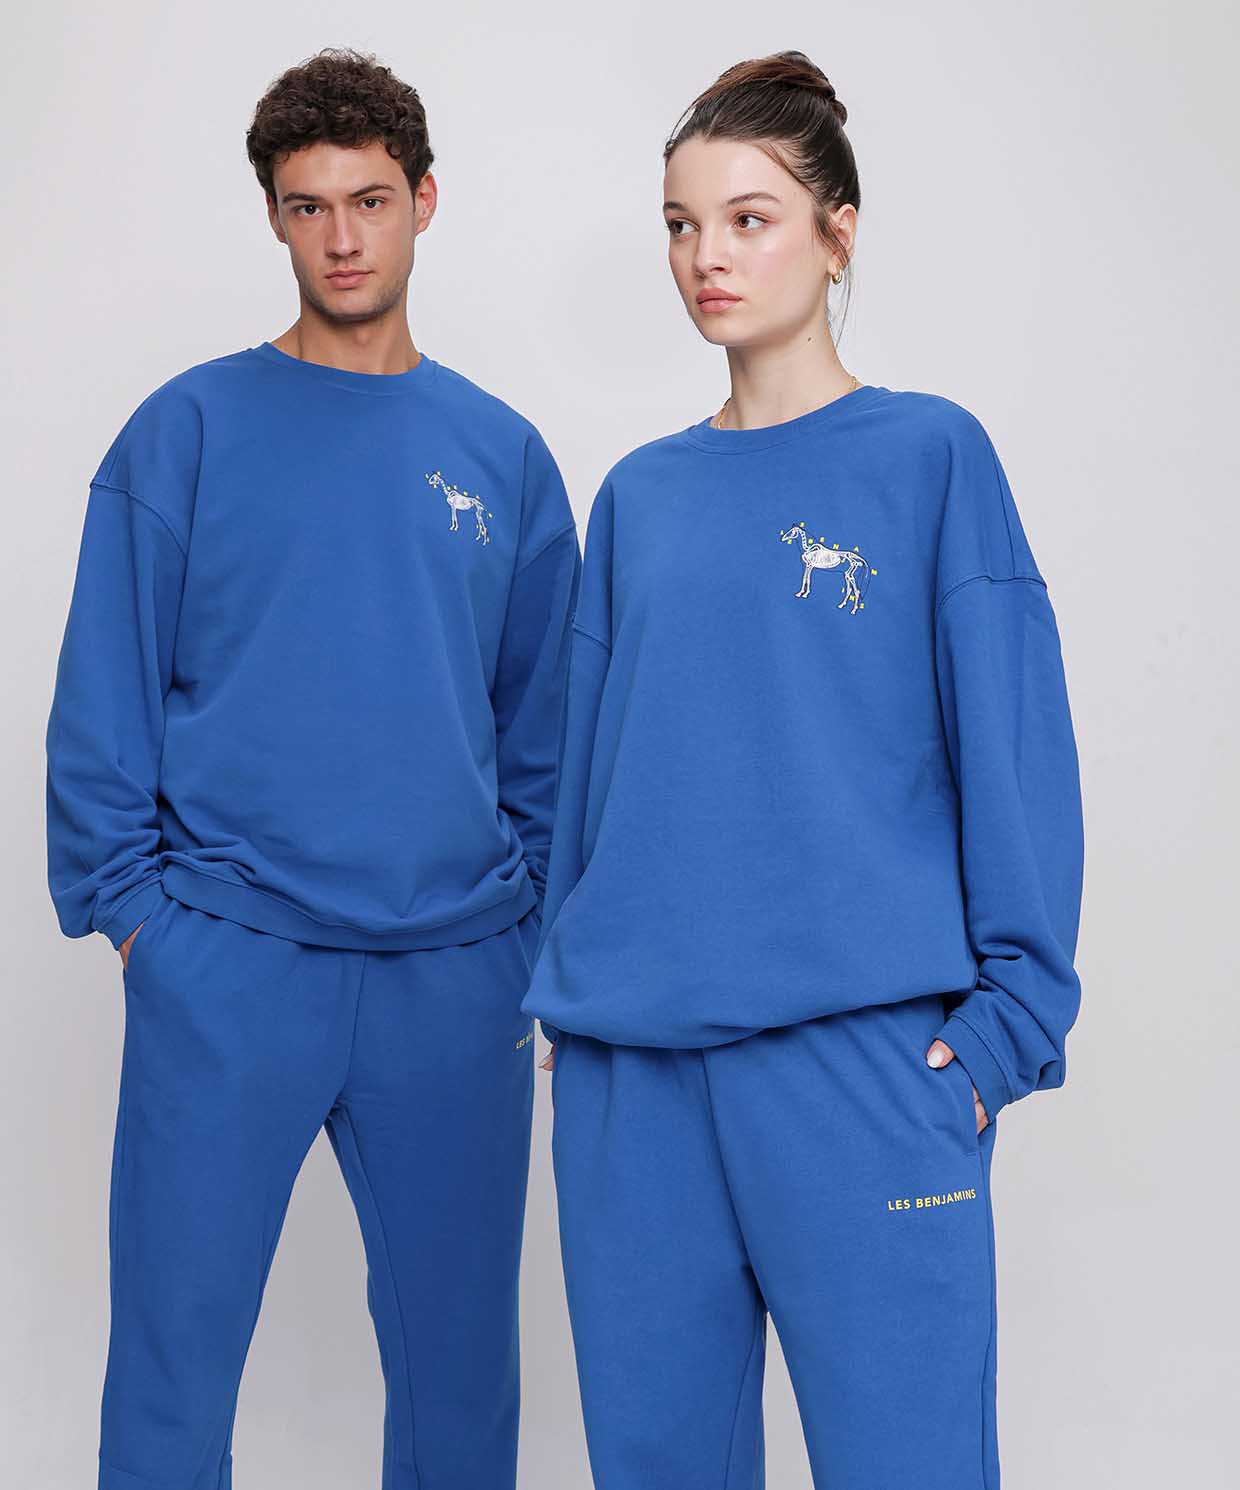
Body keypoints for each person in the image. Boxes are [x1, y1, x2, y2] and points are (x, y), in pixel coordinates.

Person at [520, 50, 1084, 1490]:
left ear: (839, 233)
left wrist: (1009, 1027)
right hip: (635, 1081)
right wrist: (568, 991)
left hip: (863, 1069)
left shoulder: (931, 458)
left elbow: (1014, 745)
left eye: (749, 218)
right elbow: (590, 773)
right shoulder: (639, 495)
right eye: (680, 224)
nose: (705, 256)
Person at [44, 47, 579, 1490]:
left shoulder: (504, 457)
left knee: (462, 1389)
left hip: (453, 976)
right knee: (171, 1377)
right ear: (274, 218)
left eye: (370, 200)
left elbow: (546, 733)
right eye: (308, 206)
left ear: (424, 202)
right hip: (229, 962)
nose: (342, 238)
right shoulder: (186, 432)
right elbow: (103, 698)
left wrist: (525, 934)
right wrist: (144, 925)